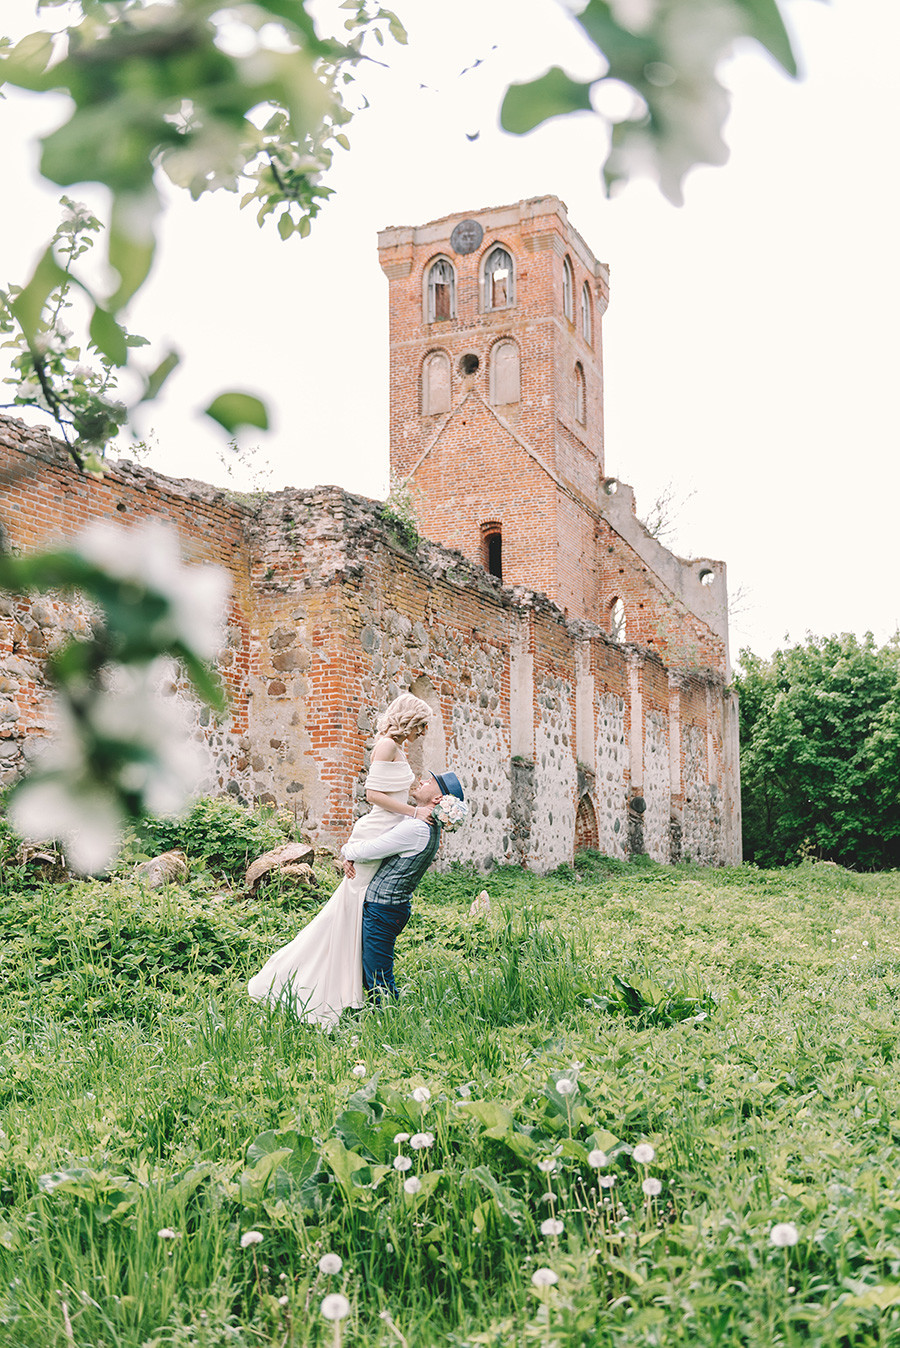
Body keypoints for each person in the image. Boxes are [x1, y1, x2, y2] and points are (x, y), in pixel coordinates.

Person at [247, 692, 432, 1028]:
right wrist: (414, 812)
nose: (425, 730)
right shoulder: (386, 745)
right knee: (350, 909)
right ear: (408, 719)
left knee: (355, 909)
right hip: (378, 828)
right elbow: (372, 795)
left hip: (384, 832)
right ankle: (314, 982)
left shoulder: (398, 746)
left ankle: (351, 989)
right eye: (421, 723)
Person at [342, 770, 466, 1002]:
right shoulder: (425, 826)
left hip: (383, 909)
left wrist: (346, 851)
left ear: (437, 799)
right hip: (391, 908)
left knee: (378, 977)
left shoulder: (416, 829)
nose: (421, 781)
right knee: (372, 969)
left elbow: (371, 850)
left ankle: (387, 1020)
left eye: (430, 782)